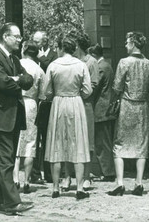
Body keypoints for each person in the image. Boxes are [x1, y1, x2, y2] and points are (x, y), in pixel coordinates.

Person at [0, 22, 34, 214]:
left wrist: (16, 79)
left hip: (11, 115)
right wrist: (15, 80)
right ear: (5, 36)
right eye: (17, 36)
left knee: (3, 160)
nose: (20, 40)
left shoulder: (13, 59)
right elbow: (3, 84)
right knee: (6, 160)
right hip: (0, 116)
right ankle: (12, 202)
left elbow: (29, 80)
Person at [43, 34, 93, 200]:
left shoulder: (53, 65)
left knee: (56, 145)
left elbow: (47, 91)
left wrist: (56, 94)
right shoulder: (81, 65)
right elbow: (87, 90)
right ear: (74, 48)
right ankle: (79, 187)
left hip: (58, 104)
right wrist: (77, 93)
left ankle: (56, 187)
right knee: (77, 143)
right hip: (76, 104)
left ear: (62, 48)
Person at [107, 32, 149, 197]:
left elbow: (117, 86)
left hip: (127, 105)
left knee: (119, 143)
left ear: (133, 43)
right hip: (143, 106)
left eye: (127, 43)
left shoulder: (124, 62)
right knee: (141, 144)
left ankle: (120, 183)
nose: (125, 46)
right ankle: (139, 182)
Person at [61, 31, 98, 191]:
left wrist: (78, 95)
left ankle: (86, 177)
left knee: (86, 142)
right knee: (67, 140)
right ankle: (67, 176)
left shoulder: (91, 62)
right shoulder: (68, 62)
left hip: (85, 105)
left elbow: (94, 84)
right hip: (69, 106)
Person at [13, 40, 46, 194]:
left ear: (24, 49)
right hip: (32, 104)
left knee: (15, 142)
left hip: (16, 102)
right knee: (30, 143)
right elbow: (43, 94)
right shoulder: (39, 70)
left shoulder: (15, 64)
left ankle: (15, 179)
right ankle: (27, 180)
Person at [32, 30, 57, 184]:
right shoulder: (32, 56)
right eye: (33, 41)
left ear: (45, 42)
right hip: (36, 103)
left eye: (37, 41)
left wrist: (43, 59)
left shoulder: (54, 56)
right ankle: (34, 173)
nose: (35, 44)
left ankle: (49, 173)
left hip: (49, 103)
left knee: (48, 139)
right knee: (35, 138)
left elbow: (54, 71)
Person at [89, 43, 116, 182]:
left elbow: (94, 87)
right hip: (106, 108)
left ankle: (108, 172)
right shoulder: (107, 65)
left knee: (102, 142)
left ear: (93, 55)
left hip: (101, 109)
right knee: (104, 141)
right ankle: (107, 170)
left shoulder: (100, 67)